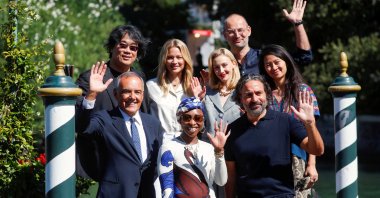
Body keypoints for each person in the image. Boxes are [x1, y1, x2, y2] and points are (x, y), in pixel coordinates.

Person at [224, 74, 324, 198]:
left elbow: (317, 150)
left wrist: (310, 124)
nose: (254, 99)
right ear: (241, 98)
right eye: (248, 95)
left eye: (258, 93)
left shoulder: (286, 121)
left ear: (267, 95)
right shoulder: (232, 130)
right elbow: (231, 177)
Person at [75, 25, 150, 179]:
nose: (128, 51)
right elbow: (78, 123)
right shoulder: (90, 78)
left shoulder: (139, 79)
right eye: (123, 45)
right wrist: (92, 94)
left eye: (133, 48)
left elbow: (146, 117)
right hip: (96, 169)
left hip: (131, 170)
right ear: (112, 47)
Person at [76, 69, 163, 197]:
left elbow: (155, 162)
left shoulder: (153, 123)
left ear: (142, 95)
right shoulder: (105, 119)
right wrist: (92, 94)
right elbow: (82, 127)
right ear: (116, 94)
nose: (132, 97)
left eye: (137, 92)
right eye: (126, 91)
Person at [259, 44, 320, 197]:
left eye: (277, 62)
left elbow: (311, 129)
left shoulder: (303, 91)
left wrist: (312, 164)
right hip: (268, 158)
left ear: (286, 61)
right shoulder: (262, 94)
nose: (273, 67)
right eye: (268, 64)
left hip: (297, 156)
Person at [158, 97, 230, 198]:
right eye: (187, 117)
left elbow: (221, 181)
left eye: (198, 118)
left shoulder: (209, 148)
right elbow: (167, 189)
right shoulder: (168, 147)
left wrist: (219, 152)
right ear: (180, 120)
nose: (192, 122)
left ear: (203, 121)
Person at [222, 0, 312, 76]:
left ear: (249, 31)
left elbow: (304, 57)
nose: (237, 35)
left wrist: (298, 23)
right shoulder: (220, 64)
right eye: (231, 32)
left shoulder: (265, 58)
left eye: (240, 30)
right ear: (225, 35)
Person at [147, 39, 201, 141]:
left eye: (179, 57)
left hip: (187, 143)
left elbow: (201, 123)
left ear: (185, 60)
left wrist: (196, 99)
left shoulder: (194, 87)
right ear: (164, 60)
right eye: (170, 57)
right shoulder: (151, 86)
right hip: (160, 144)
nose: (175, 61)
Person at [202, 48, 242, 138]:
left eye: (224, 65)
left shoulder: (243, 90)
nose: (221, 71)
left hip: (235, 148)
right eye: (216, 67)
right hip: (209, 148)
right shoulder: (206, 92)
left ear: (233, 64)